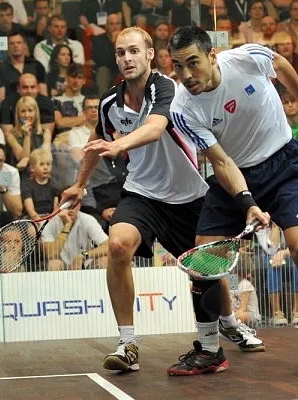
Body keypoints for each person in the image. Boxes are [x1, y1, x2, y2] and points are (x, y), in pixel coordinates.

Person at [59, 27, 264, 375]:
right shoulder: (111, 101)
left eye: (134, 51)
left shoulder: (167, 88)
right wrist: (79, 184)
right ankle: (127, 343)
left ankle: (229, 322)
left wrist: (120, 145)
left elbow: (155, 127)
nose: (127, 59)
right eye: (121, 53)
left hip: (189, 197)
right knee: (119, 246)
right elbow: (98, 136)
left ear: (150, 54)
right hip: (142, 194)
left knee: (207, 273)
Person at [168, 26, 298, 376]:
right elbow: (221, 162)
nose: (185, 75)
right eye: (177, 66)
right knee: (203, 259)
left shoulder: (246, 58)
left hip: (283, 165)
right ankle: (211, 349)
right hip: (236, 175)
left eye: (192, 63)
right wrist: (247, 202)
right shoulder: (182, 108)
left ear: (212, 56)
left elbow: (282, 64)